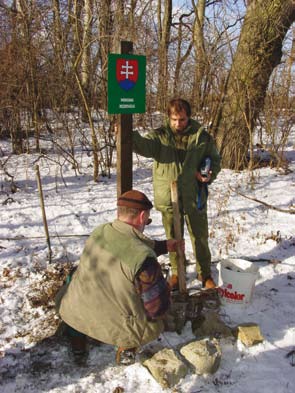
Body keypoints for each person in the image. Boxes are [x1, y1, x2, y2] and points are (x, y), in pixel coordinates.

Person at [56, 190, 182, 365]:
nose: (146, 222)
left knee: (75, 276)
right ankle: (127, 346)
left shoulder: (100, 231)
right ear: (142, 216)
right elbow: (157, 309)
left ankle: (78, 341)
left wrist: (164, 246)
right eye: (147, 219)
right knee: (153, 321)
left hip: (73, 310)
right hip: (114, 323)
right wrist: (165, 291)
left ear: (119, 212)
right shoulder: (145, 260)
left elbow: (129, 242)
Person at [133, 98, 221, 289]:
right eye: (174, 119)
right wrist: (127, 134)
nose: (177, 124)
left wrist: (208, 175)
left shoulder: (202, 137)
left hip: (194, 196)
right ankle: (176, 272)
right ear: (169, 117)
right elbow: (142, 145)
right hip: (169, 197)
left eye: (181, 119)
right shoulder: (160, 136)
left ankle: (204, 273)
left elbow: (215, 160)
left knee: (200, 237)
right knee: (173, 238)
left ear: (188, 117)